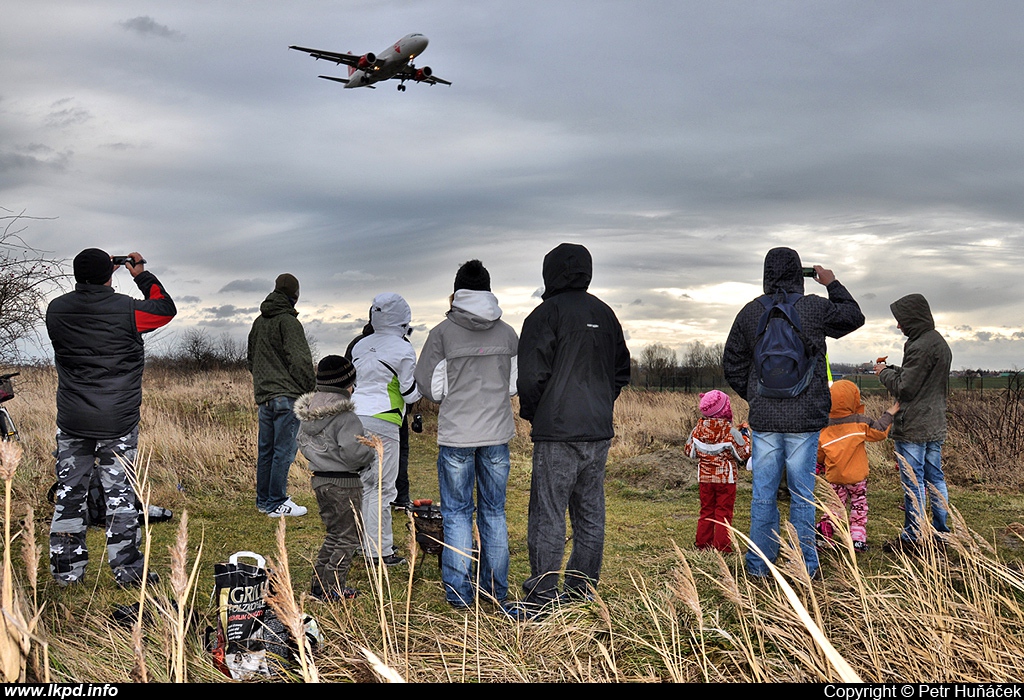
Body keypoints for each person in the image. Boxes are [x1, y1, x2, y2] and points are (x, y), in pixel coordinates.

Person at [723, 247, 864, 579]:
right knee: (803, 496)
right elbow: (853, 316)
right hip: (805, 418)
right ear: (796, 273)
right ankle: (804, 567)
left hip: (766, 420)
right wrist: (831, 282)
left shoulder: (749, 313)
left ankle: (758, 567)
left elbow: (732, 363)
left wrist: (757, 395)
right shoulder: (814, 308)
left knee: (763, 496)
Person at [509, 243, 631, 618]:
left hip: (558, 430)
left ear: (550, 272)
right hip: (597, 430)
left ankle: (541, 599)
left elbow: (530, 377)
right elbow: (620, 371)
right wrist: (600, 403)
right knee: (590, 511)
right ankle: (580, 592)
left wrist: (536, 413)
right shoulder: (606, 314)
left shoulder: (545, 315)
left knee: (548, 512)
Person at [46, 249, 176, 587]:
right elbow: (165, 309)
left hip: (73, 418)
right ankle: (128, 570)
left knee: (69, 494)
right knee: (119, 495)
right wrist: (141, 274)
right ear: (111, 272)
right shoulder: (128, 311)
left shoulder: (56, 310)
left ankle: (66, 572)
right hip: (117, 419)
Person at [414, 260, 519, 608]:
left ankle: (459, 593)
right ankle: (495, 590)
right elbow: (514, 386)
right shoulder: (507, 333)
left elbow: (429, 387)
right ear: (488, 290)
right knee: (494, 512)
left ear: (458, 291)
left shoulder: (441, 334)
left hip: (458, 435)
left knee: (458, 513)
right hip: (496, 434)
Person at [874, 294, 953, 550]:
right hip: (934, 422)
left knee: (914, 480)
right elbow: (918, 377)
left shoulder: (919, 345)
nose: (899, 325)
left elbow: (905, 389)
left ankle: (914, 537)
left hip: (914, 425)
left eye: (901, 320)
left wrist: (883, 373)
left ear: (912, 318)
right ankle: (942, 534)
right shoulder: (937, 342)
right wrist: (894, 369)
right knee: (935, 479)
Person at [294, 355, 374, 601]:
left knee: (334, 534)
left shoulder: (309, 413)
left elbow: (301, 441)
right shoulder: (346, 417)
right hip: (344, 484)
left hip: (321, 480)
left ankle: (320, 584)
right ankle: (333, 589)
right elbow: (354, 452)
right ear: (348, 384)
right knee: (348, 537)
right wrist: (369, 450)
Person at [350, 292, 421, 566]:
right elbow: (409, 392)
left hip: (355, 416)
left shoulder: (360, 345)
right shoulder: (403, 348)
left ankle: (361, 542)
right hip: (385, 420)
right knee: (382, 489)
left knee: (362, 484)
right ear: (404, 319)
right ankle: (379, 551)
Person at [247, 274, 315, 518]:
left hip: (265, 397)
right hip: (288, 397)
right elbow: (300, 360)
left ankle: (264, 501)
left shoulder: (258, 322)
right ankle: (277, 502)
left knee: (266, 451)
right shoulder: (289, 322)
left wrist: (264, 383)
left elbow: (251, 360)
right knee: (283, 452)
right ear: (294, 295)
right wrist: (309, 389)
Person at [815, 379, 898, 552]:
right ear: (854, 399)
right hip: (857, 477)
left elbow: (820, 453)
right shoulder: (860, 422)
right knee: (859, 506)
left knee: (834, 505)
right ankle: (857, 539)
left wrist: (820, 465)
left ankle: (825, 531)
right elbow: (880, 432)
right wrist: (889, 413)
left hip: (835, 476)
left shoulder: (824, 426)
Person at [685, 390, 751, 553]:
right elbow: (744, 453)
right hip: (726, 480)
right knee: (723, 512)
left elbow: (689, 451)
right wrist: (745, 436)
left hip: (705, 479)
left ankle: (703, 544)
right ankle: (722, 547)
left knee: (706, 510)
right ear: (725, 410)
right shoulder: (730, 432)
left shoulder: (697, 430)